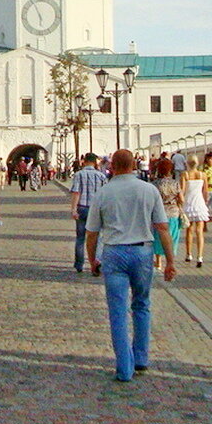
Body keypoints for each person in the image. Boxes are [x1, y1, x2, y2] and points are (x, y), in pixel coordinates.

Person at [85, 149, 177, 382]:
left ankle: (124, 368)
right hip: (142, 251)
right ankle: (141, 358)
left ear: (112, 166)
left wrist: (92, 259)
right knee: (142, 304)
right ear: (134, 165)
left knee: (117, 311)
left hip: (114, 252)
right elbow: (162, 228)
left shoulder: (103, 193)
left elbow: (92, 233)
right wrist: (170, 261)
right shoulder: (148, 190)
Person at [69, 153, 108, 274]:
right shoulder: (101, 176)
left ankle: (79, 264)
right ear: (95, 162)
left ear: (84, 162)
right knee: (99, 236)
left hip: (82, 208)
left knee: (80, 238)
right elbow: (105, 195)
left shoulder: (78, 175)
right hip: (96, 209)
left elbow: (76, 193)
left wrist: (74, 209)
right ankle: (97, 260)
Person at [151, 158, 183, 273]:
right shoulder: (175, 183)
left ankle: (158, 261)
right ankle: (170, 262)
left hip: (159, 213)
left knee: (158, 238)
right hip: (173, 212)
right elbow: (181, 199)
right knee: (172, 237)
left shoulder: (154, 184)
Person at [181, 155, 209, 267]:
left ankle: (188, 254)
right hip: (199, 203)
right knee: (200, 231)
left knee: (189, 230)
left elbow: (182, 190)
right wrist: (205, 202)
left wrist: (180, 202)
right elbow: (205, 191)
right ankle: (200, 256)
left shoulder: (185, 175)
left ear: (187, 163)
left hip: (188, 203)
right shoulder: (203, 175)